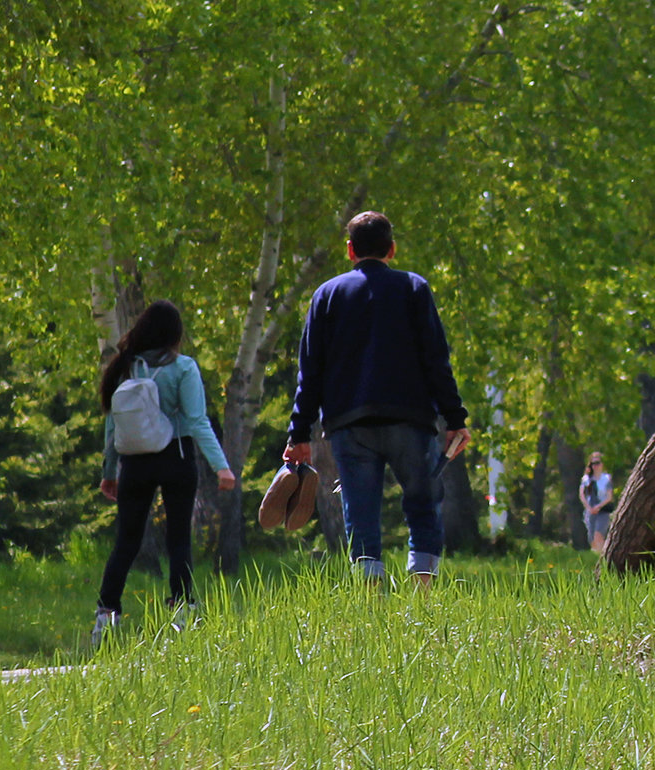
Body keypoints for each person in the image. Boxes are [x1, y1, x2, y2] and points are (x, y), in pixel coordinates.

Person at [283, 211, 470, 587]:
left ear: (350, 250)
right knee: (422, 503)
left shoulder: (327, 295)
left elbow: (310, 373)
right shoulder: (414, 288)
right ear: (393, 249)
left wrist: (299, 433)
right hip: (410, 418)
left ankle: (373, 602)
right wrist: (454, 419)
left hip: (349, 423)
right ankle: (423, 594)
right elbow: (437, 360)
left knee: (361, 511)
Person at [93, 300, 237, 645]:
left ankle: (106, 615)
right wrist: (222, 466)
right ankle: (182, 612)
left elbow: (113, 427)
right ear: (175, 334)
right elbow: (197, 422)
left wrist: (109, 471)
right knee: (178, 539)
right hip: (176, 456)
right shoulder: (183, 368)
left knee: (126, 541)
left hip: (134, 461)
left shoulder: (125, 368)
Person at [579, 451, 613, 553]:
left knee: (599, 534)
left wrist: (598, 506)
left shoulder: (606, 478)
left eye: (597, 463)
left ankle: (603, 558)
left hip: (603, 510)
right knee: (592, 538)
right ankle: (598, 557)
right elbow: (582, 495)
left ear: (601, 464)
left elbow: (609, 497)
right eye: (593, 464)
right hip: (590, 512)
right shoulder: (586, 479)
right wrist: (589, 508)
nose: (595, 466)